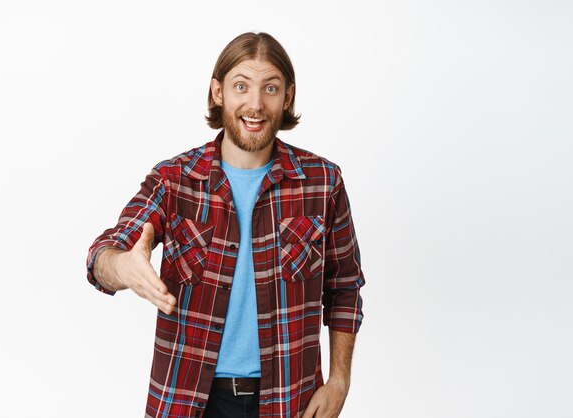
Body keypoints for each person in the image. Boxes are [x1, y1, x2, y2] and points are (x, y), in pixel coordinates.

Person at [86, 32, 365, 418]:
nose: (255, 104)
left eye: (270, 88)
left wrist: (339, 381)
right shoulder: (174, 179)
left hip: (290, 400)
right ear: (218, 92)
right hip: (188, 400)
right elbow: (104, 254)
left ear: (287, 97)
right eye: (241, 86)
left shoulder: (322, 182)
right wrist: (122, 268)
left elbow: (344, 287)